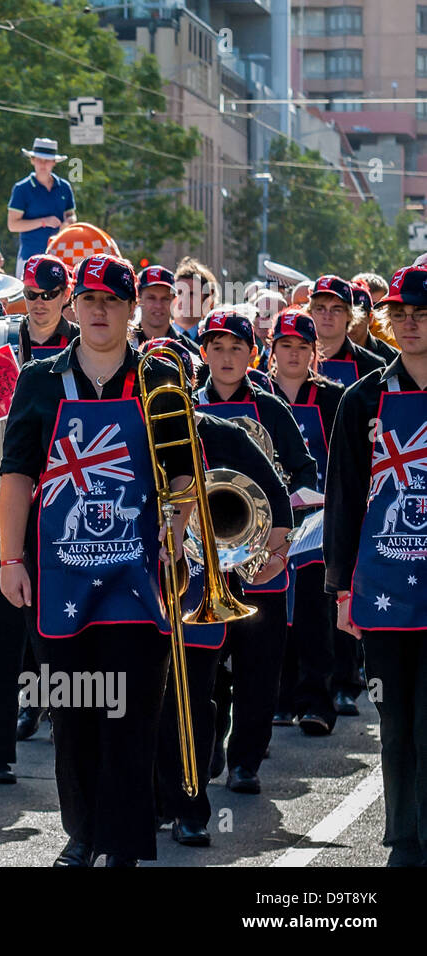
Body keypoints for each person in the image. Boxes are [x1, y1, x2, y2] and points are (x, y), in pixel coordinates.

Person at [0, 254, 192, 866]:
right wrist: (9, 558)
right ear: (74, 306)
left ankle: (125, 844)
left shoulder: (160, 378)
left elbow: (182, 472)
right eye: (90, 299)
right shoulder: (39, 379)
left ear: (134, 309)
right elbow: (17, 476)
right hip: (59, 572)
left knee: (134, 712)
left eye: (114, 300)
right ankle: (82, 833)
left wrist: (177, 530)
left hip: (139, 573)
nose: (100, 310)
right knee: (76, 708)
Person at [141, 337, 292, 849]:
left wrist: (264, 559)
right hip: (139, 587)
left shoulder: (220, 431)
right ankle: (148, 802)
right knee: (146, 700)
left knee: (193, 701)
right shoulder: (126, 432)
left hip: (203, 588)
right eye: (153, 385)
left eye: (173, 384)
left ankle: (190, 807)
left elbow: (276, 499)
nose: (164, 394)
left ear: (189, 386)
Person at [324, 263, 427, 866]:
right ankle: (402, 839)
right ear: (387, 323)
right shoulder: (362, 398)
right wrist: (340, 591)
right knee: (395, 722)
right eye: (401, 315)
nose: (411, 325)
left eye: (422, 315)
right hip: (383, 587)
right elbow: (341, 501)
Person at [194, 308, 316, 795]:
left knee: (258, 668)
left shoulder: (271, 409)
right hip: (201, 559)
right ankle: (205, 757)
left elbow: (305, 474)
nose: (226, 358)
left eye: (236, 349)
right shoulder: (184, 405)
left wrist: (282, 543)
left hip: (262, 559)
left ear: (253, 354)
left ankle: (246, 760)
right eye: (216, 348)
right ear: (203, 353)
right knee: (205, 670)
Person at [267, 310, 346, 733]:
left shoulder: (334, 399)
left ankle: (317, 700)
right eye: (286, 346)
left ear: (314, 352)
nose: (294, 354)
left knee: (315, 611)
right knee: (274, 611)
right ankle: (278, 698)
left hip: (316, 522)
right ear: (272, 349)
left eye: (302, 347)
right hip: (269, 524)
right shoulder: (259, 394)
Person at [6, 137, 77, 280]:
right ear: (32, 160)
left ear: (54, 162)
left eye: (48, 160)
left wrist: (68, 223)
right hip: (30, 258)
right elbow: (12, 225)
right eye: (39, 159)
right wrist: (44, 221)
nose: (43, 164)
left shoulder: (64, 187)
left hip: (62, 258)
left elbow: (71, 215)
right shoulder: (22, 189)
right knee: (29, 300)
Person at [307, 275, 384, 386]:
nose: (327, 316)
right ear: (310, 312)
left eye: (336, 309)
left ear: (349, 314)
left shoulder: (373, 367)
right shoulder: (294, 359)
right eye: (320, 308)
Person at [18, 254, 78, 361]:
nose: (39, 303)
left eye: (48, 295)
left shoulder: (81, 341)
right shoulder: (8, 337)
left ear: (66, 294)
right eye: (31, 294)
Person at [131, 265, 186, 347]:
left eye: (165, 298)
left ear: (174, 301)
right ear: (138, 299)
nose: (158, 305)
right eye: (151, 298)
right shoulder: (122, 346)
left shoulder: (189, 350)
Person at [348, 279, 399, 365]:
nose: (351, 324)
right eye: (347, 315)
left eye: (358, 316)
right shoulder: (323, 353)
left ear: (371, 317)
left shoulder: (392, 358)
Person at [171, 257, 218, 341]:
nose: (184, 299)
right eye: (179, 292)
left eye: (191, 294)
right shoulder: (158, 336)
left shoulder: (212, 340)